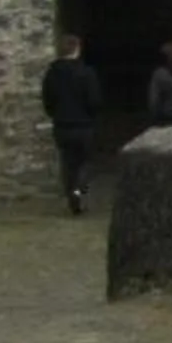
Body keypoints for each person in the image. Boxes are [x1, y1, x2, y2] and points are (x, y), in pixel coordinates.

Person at [40, 33, 105, 216]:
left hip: (62, 125)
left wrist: (56, 114)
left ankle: (71, 194)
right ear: (77, 49)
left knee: (68, 163)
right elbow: (94, 100)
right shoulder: (86, 73)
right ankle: (78, 190)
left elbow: (47, 100)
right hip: (83, 125)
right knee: (85, 161)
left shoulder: (52, 73)